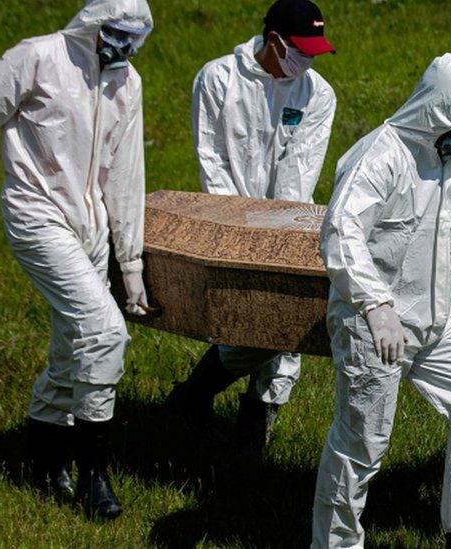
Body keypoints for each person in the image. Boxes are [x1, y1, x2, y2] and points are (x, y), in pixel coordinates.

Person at [0, 0, 155, 520]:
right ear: (94, 24)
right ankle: (95, 476)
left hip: (89, 227)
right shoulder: (38, 58)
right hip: (35, 214)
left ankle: (44, 463)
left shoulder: (126, 83)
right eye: (117, 34)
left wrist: (129, 263)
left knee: (72, 347)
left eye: (136, 38)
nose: (125, 46)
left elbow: (126, 174)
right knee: (104, 332)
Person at [312, 53, 451, 549]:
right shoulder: (379, 156)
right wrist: (376, 305)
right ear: (435, 113)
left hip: (439, 322)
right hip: (373, 324)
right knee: (362, 444)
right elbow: (341, 231)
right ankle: (335, 544)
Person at [166, 0, 336, 451]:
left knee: (287, 323)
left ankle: (257, 416)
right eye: (301, 51)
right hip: (230, 224)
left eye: (315, 53)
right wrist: (237, 233)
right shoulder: (219, 79)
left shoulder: (316, 94)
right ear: (275, 40)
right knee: (241, 321)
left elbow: (298, 174)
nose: (308, 62)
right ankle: (196, 397)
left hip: (287, 223)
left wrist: (280, 241)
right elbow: (213, 161)